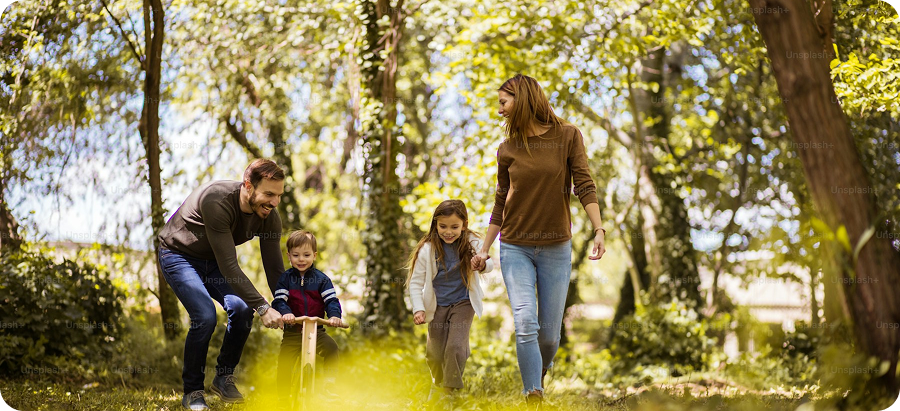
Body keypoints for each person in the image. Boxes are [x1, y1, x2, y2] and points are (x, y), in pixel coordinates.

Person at [472, 74, 607, 405]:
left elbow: (584, 184)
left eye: (503, 102)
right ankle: (533, 393)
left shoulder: (568, 136)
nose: (499, 110)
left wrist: (599, 228)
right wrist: (485, 249)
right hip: (515, 245)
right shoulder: (507, 150)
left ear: (523, 99)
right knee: (525, 320)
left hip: (556, 247)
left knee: (549, 334)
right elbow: (500, 201)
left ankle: (538, 372)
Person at [158, 159, 287, 410]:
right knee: (205, 316)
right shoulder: (217, 201)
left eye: (279, 195)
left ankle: (223, 377)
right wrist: (263, 307)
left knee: (240, 309)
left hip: (213, 261)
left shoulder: (269, 216)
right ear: (248, 186)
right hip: (179, 255)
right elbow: (230, 266)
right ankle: (193, 392)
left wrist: (286, 305)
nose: (274, 202)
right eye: (269, 194)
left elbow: (274, 269)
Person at [407, 199, 494, 402]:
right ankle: (438, 384)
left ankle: (449, 393)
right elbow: (415, 282)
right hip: (437, 305)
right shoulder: (428, 249)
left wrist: (481, 264)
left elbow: (489, 263)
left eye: (454, 227)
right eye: (443, 226)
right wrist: (418, 309)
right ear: (435, 225)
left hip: (464, 302)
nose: (448, 231)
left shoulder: (472, 241)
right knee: (435, 354)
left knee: (454, 346)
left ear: (464, 224)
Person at [272, 230, 343, 401]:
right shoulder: (285, 279)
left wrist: (334, 316)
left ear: (314, 255)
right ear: (289, 256)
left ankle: (329, 384)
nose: (301, 259)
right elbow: (279, 301)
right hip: (293, 332)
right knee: (285, 364)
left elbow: (331, 300)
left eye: (306, 255)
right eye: (296, 255)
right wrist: (286, 313)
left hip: (315, 331)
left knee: (332, 348)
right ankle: (282, 399)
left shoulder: (322, 279)